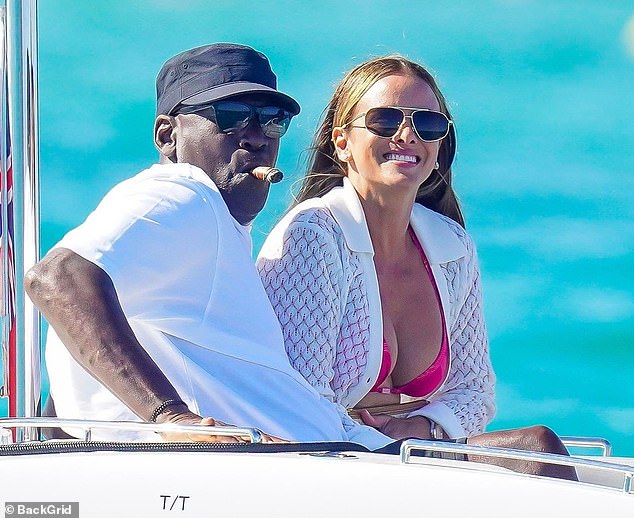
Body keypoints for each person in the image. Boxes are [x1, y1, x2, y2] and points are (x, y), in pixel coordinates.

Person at [24, 43, 391, 448]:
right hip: (289, 473)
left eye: (272, 120)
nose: (255, 137)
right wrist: (171, 418)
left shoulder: (206, 226)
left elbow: (77, 354)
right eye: (231, 117)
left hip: (325, 455)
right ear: (168, 136)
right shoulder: (183, 193)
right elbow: (57, 278)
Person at [257, 55, 577, 479]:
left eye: (427, 124)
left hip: (406, 459)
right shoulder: (315, 234)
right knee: (537, 450)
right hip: (326, 462)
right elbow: (298, 402)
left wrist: (420, 428)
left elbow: (475, 392)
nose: (407, 135)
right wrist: (399, 446)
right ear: (341, 142)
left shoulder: (452, 246)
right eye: (384, 120)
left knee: (541, 449)